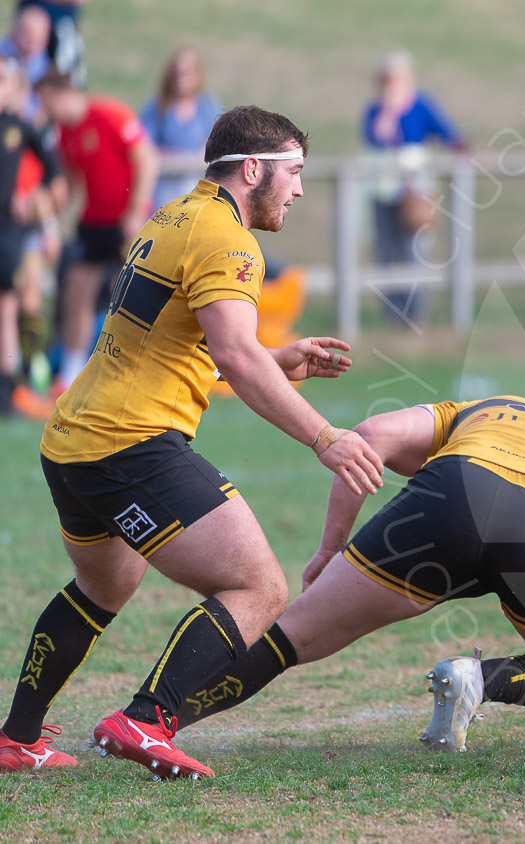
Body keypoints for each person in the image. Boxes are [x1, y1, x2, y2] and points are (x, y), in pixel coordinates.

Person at [0, 105, 384, 777]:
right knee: (259, 587)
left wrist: (278, 356)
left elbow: (175, 336)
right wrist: (325, 438)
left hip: (73, 441)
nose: (297, 190)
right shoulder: (231, 241)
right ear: (254, 169)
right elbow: (234, 355)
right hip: (130, 446)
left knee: (105, 586)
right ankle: (146, 720)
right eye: (293, 174)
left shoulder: (176, 214)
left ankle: (15, 738)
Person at [161, 395, 525, 750]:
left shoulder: (480, 409)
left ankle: (151, 720)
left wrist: (330, 548)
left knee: (286, 638)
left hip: (450, 497)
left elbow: (369, 437)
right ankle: (480, 680)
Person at [34, 69, 158, 391]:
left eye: (48, 103)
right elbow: (74, 182)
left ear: (64, 93)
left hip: (127, 219)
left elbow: (146, 159)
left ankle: (132, 370)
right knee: (77, 288)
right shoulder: (65, 133)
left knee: (128, 293)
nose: (46, 111)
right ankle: (71, 375)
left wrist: (136, 211)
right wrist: (56, 223)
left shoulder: (108, 114)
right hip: (94, 220)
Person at [361, 50, 465, 325]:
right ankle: (392, 314)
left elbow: (448, 134)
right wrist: (389, 111)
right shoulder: (375, 110)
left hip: (414, 191)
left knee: (414, 249)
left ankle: (416, 313)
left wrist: (468, 149)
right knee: (386, 250)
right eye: (385, 79)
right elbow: (376, 137)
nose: (390, 84)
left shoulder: (421, 106)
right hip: (381, 188)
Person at [0, 57, 59, 418]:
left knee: (7, 308)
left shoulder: (18, 127)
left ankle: (9, 387)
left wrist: (34, 199)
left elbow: (53, 169)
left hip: (6, 231)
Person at [140, 46, 223, 212]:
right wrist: (192, 158)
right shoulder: (157, 107)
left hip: (196, 186)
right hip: (163, 188)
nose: (181, 79)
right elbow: (145, 150)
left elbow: (216, 148)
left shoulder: (207, 106)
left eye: (186, 74)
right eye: (177, 74)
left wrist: (171, 155)